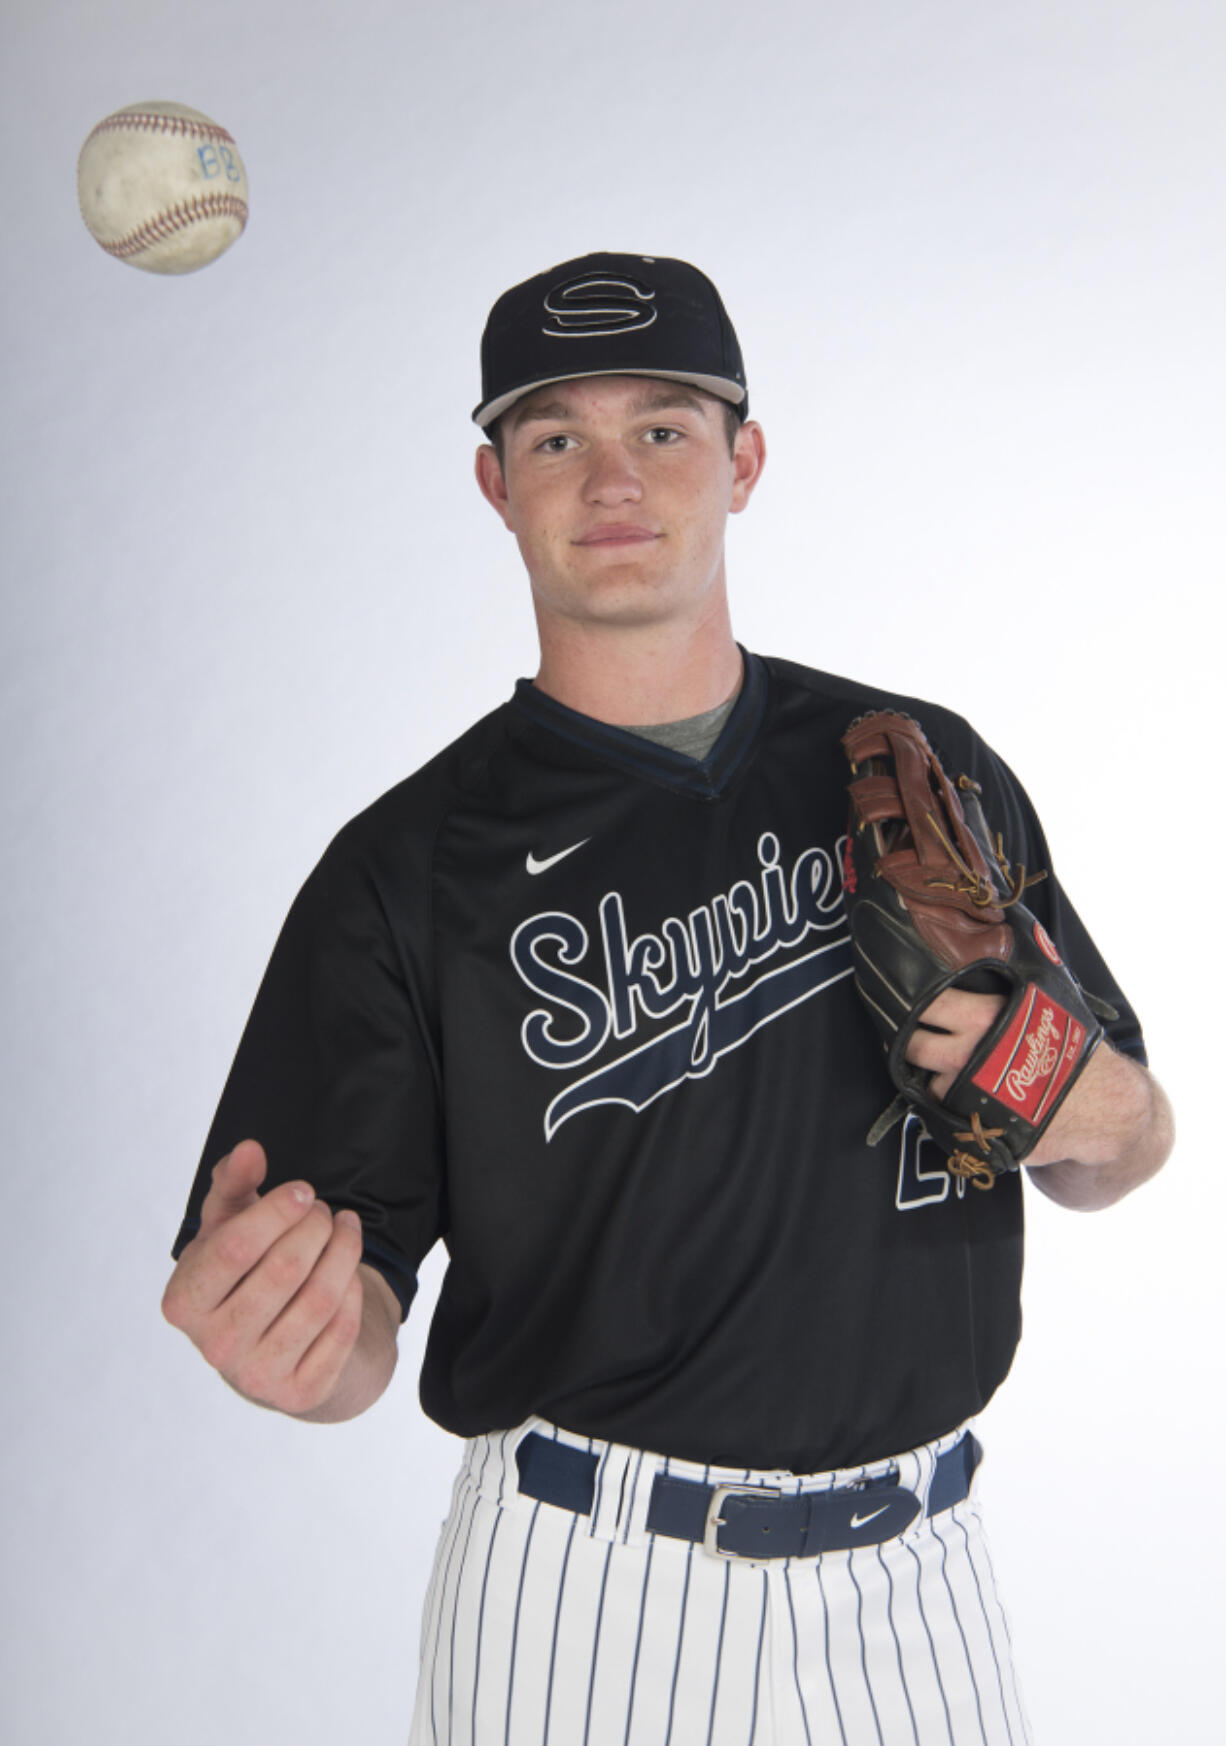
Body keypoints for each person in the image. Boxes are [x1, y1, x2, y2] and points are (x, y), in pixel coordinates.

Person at [163, 252, 1174, 1745]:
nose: (612, 477)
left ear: (743, 460)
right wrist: (301, 1355)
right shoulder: (407, 869)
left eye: (662, 427)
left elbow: (1122, 1143)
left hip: (924, 1574)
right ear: (494, 483)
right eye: (555, 435)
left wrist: (1109, 1106)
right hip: (588, 1584)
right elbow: (355, 1309)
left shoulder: (919, 759)